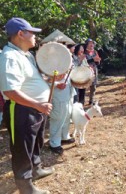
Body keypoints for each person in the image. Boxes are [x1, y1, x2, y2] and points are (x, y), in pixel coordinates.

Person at [0, 17, 53, 194]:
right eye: (32, 33)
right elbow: (10, 91)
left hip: (36, 108)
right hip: (21, 110)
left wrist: (50, 79)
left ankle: (36, 168)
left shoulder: (26, 55)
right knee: (22, 147)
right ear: (21, 34)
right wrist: (38, 105)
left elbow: (32, 79)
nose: (35, 37)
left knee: (35, 141)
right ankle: (25, 185)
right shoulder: (9, 57)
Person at [48, 72, 76, 155]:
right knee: (57, 119)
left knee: (67, 116)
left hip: (68, 93)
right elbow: (43, 78)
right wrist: (56, 84)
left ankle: (64, 136)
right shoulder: (47, 61)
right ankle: (54, 143)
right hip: (57, 95)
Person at [84, 38, 101, 105]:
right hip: (86, 71)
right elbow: (84, 62)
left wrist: (98, 61)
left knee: (93, 86)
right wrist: (92, 59)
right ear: (87, 44)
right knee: (84, 86)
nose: (92, 45)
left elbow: (97, 62)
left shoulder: (95, 52)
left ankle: (91, 100)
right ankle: (82, 100)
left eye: (92, 43)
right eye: (90, 43)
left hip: (94, 70)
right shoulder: (84, 52)